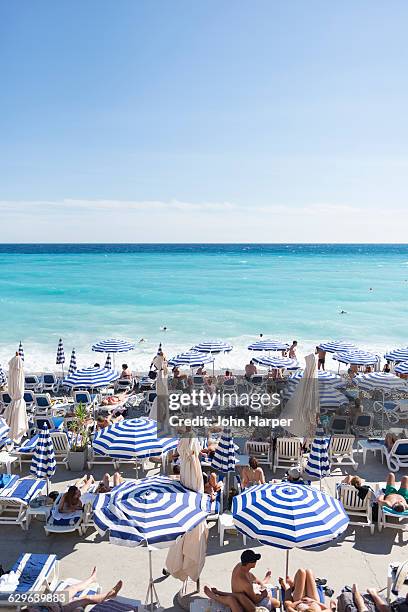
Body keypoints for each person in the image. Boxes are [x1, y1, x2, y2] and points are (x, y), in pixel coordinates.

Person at [27, 567, 122, 612]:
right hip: (62, 609)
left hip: (55, 600)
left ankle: (92, 579)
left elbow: (35, 604)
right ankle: (109, 595)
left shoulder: (31, 609)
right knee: (86, 599)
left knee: (73, 588)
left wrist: (44, 603)